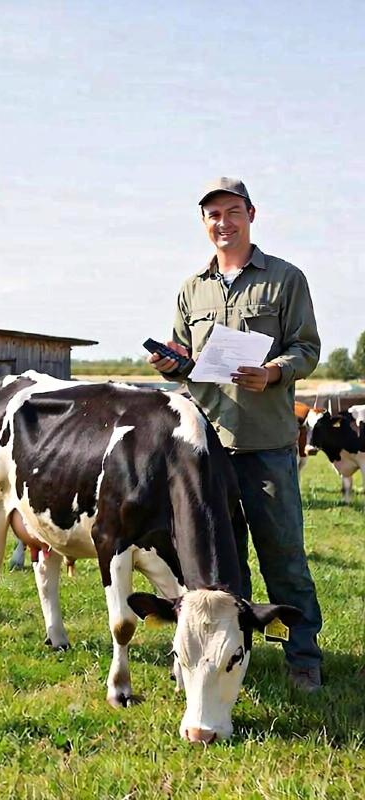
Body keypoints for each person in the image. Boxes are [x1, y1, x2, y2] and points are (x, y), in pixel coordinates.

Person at [149, 177, 323, 691]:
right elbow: (184, 358)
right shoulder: (190, 288)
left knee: (283, 554)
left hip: (265, 444)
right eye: (212, 216)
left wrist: (272, 372)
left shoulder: (285, 280)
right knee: (217, 561)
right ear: (203, 224)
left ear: (251, 213)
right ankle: (226, 654)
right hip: (206, 449)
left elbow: (306, 349)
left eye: (231, 212)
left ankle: (303, 656)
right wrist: (168, 363)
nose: (222, 223)